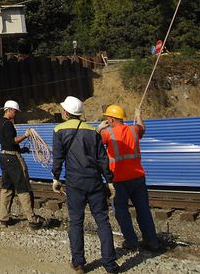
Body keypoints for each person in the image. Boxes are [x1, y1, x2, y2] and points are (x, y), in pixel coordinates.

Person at [52, 96, 119, 273]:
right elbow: (102, 159)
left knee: (76, 222)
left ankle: (79, 263)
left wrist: (56, 178)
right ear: (80, 113)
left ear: (66, 112)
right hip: (95, 182)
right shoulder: (92, 131)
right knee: (103, 221)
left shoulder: (59, 130)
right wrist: (109, 181)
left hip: (74, 183)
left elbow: (58, 158)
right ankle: (110, 265)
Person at [98, 105, 159, 252]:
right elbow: (142, 128)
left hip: (118, 179)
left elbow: (94, 143)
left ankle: (131, 241)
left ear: (111, 119)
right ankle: (152, 241)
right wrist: (138, 115)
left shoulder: (107, 133)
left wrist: (99, 129)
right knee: (143, 209)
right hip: (138, 176)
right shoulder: (133, 130)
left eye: (107, 118)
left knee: (121, 211)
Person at [0, 100, 44, 229]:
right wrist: (26, 135)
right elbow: (13, 141)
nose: (16, 114)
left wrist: (21, 149)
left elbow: (6, 143)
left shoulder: (0, 123)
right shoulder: (8, 125)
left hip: (4, 156)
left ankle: (4, 219)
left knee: (6, 187)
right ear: (9, 110)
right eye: (15, 111)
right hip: (12, 158)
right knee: (22, 186)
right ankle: (32, 220)